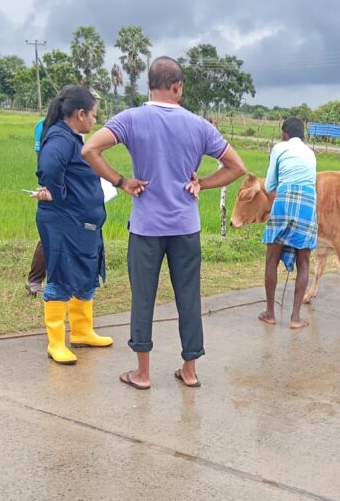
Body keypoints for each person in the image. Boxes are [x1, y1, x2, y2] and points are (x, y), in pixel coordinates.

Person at [82, 56, 246, 390]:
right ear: (178, 87)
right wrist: (203, 183)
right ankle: (189, 370)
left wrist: (121, 181)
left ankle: (142, 373)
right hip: (186, 227)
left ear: (149, 85)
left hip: (146, 229)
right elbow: (236, 166)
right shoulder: (199, 125)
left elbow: (89, 150)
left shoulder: (131, 119)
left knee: (143, 298)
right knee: (189, 297)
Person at [34, 86, 121, 364]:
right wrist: (56, 193)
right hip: (64, 221)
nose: (95, 121)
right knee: (61, 275)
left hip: (84, 222)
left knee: (85, 269)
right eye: (94, 115)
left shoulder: (73, 137)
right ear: (80, 113)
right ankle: (56, 342)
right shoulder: (60, 138)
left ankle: (82, 331)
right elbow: (48, 167)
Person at [259, 117, 318, 330]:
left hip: (284, 199)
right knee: (304, 262)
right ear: (303, 136)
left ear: (285, 134)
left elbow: (269, 185)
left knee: (271, 259)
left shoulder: (280, 147)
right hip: (308, 203)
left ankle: (270, 313)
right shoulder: (311, 153)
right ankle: (295, 318)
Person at [25, 117, 47, 296]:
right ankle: (34, 281)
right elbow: (41, 157)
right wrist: (45, 182)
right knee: (48, 236)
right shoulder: (44, 124)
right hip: (52, 186)